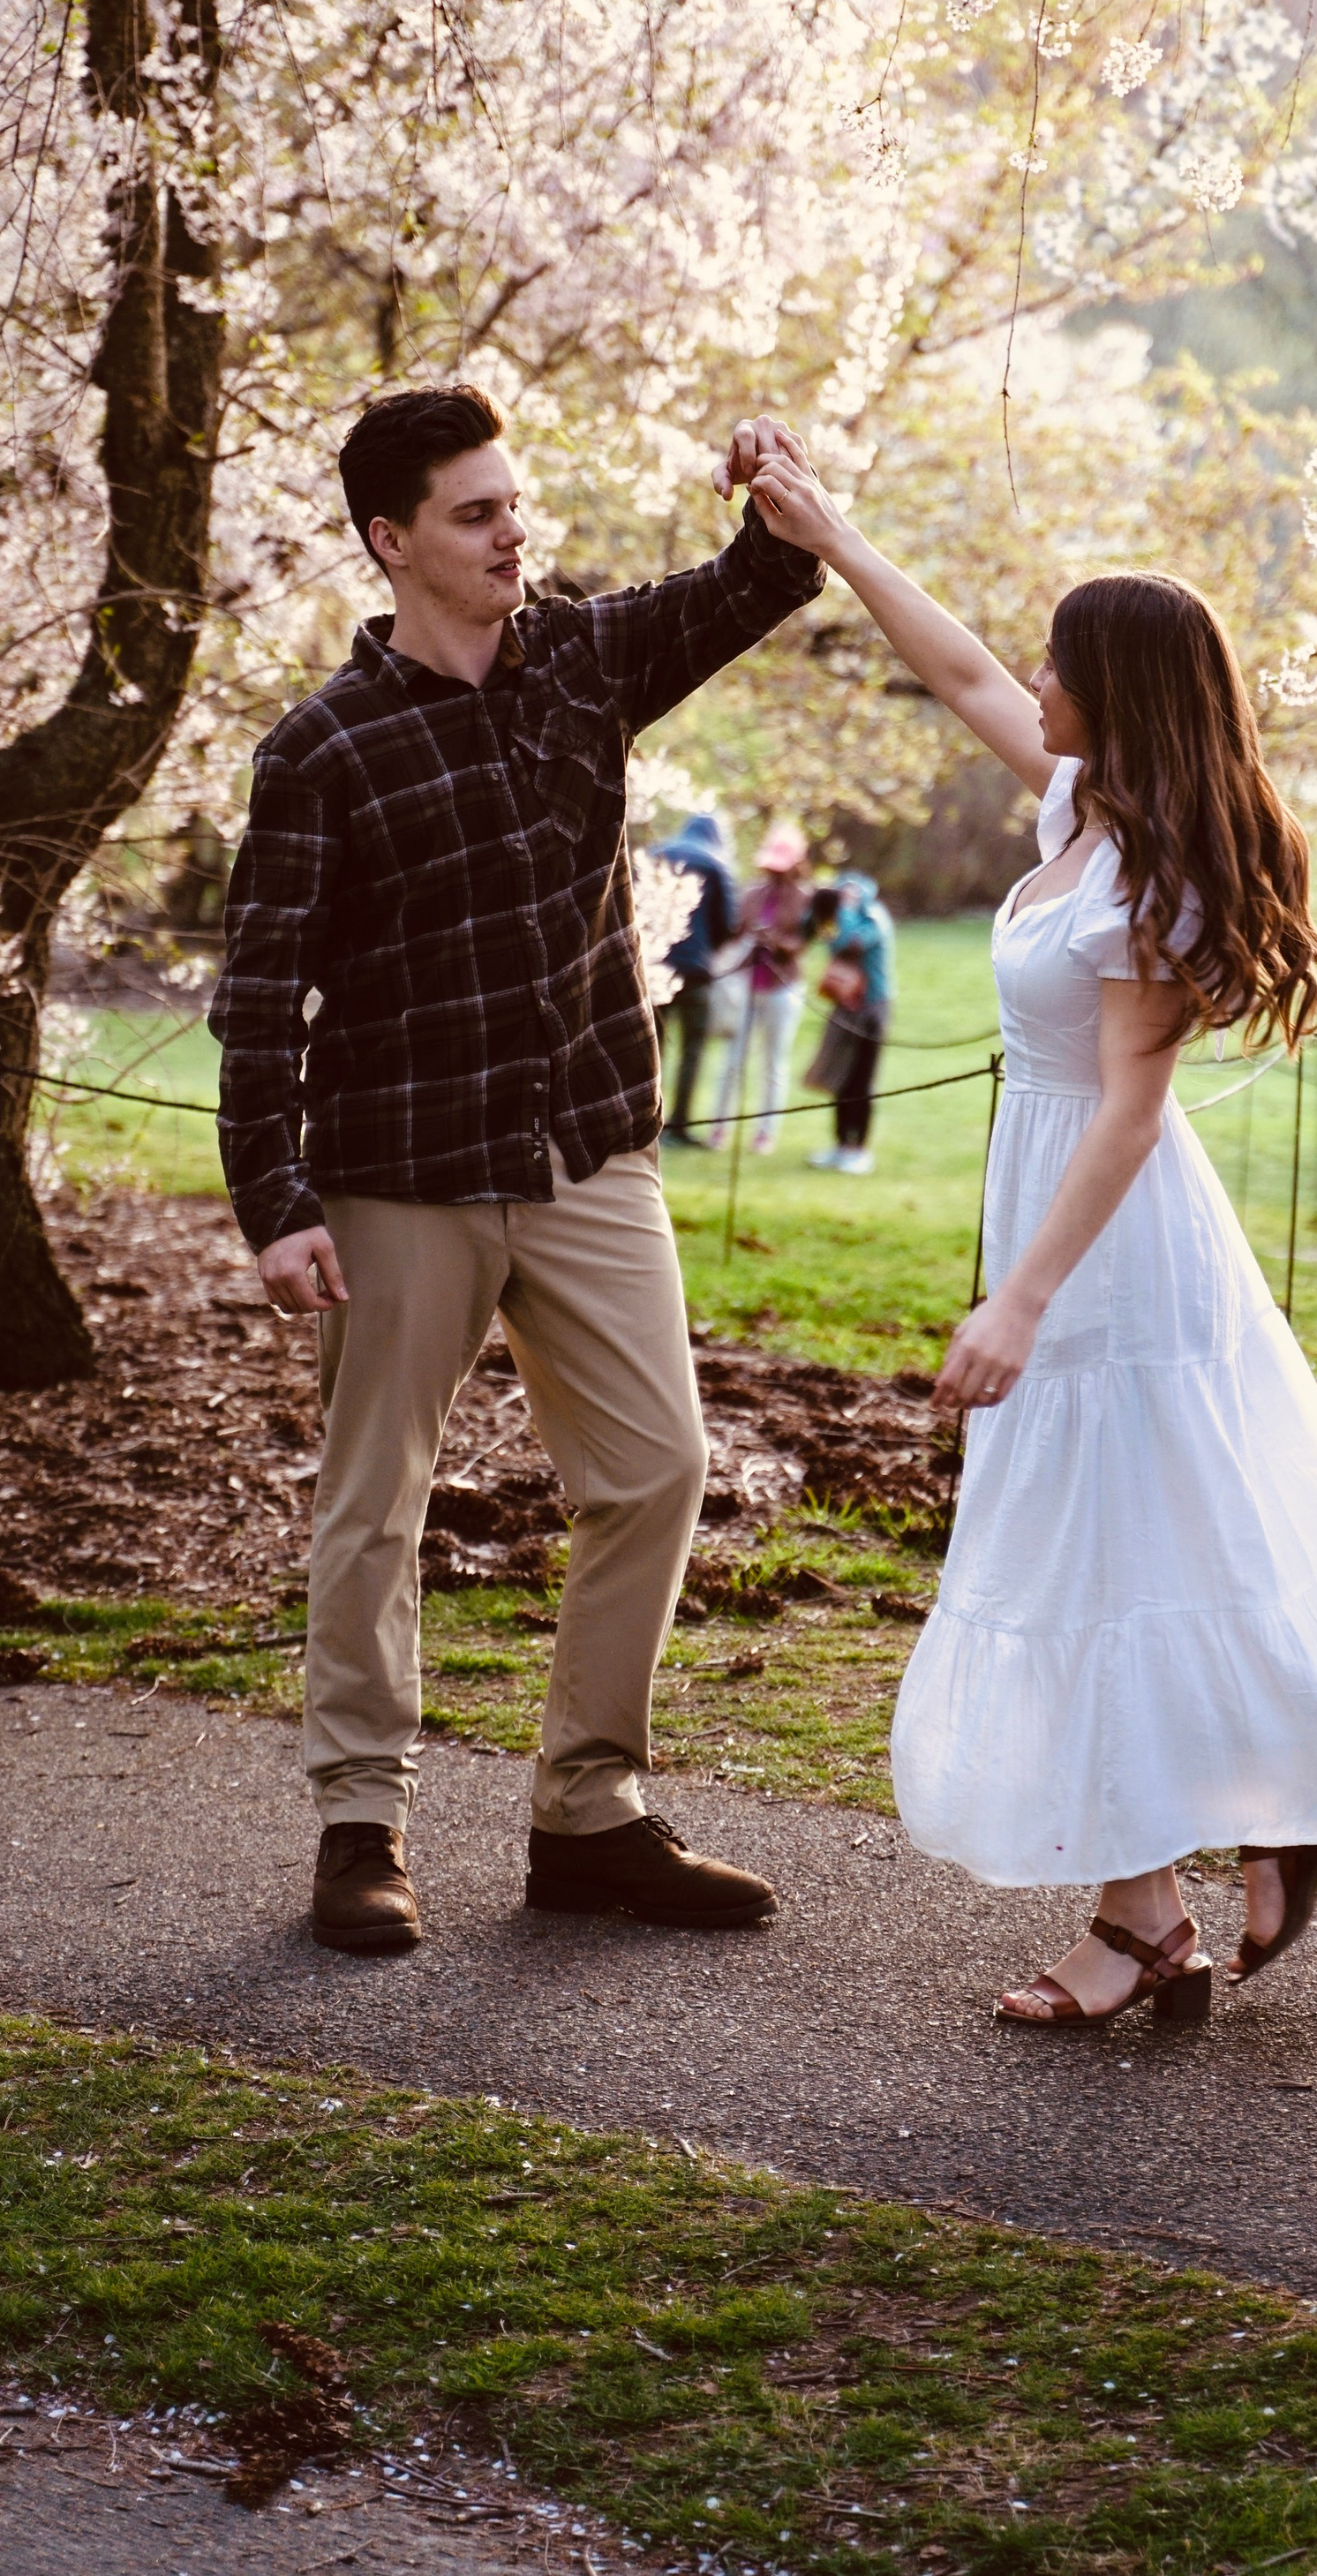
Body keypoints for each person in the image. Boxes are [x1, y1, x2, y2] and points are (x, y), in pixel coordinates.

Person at [742, 449, 1317, 2026]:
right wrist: (832, 532)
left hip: (1111, 1242)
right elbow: (948, 665)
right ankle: (1177, 1893)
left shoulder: (1150, 876)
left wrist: (1020, 1298)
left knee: (1121, 1550)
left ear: (1115, 690)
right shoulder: (1082, 800)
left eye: (1059, 662)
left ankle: (1199, 1877)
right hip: (1062, 1207)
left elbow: (1131, 1110)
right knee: (1121, 1549)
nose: (1032, 678)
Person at [210, 385, 824, 1957]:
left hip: (586, 1151)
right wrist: (274, 1204)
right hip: (399, 1174)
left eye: (512, 503)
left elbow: (761, 577)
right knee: (376, 1502)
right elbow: (262, 992)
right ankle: (361, 1822)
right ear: (389, 539)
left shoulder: (581, 660)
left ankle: (590, 1811)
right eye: (475, 512)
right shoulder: (320, 751)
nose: (511, 531)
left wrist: (766, 479)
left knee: (660, 1467)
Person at [708, 825, 812, 1156]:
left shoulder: (806, 899)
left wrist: (777, 942)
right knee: (733, 1060)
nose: (774, 872)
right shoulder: (752, 893)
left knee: (773, 1062)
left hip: (783, 989)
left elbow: (804, 943)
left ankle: (766, 1133)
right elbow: (733, 932)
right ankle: (718, 1127)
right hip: (746, 986)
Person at [653, 812, 736, 1147]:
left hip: (653, 965)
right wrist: (707, 950)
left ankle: (645, 1121)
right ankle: (679, 1124)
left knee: (651, 1049)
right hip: (695, 971)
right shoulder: (717, 863)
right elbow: (726, 923)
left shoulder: (657, 853)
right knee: (692, 1048)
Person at [806, 870, 893, 1175]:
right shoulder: (842, 916)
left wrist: (844, 910)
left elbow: (851, 944)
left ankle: (860, 1149)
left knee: (862, 1080)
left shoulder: (873, 916)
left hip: (871, 1008)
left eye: (851, 893)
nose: (846, 896)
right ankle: (841, 1144)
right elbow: (825, 935)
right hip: (845, 1006)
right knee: (841, 1078)